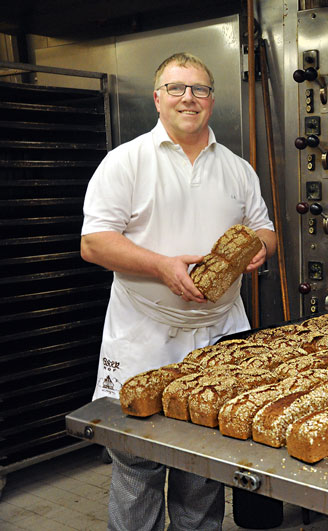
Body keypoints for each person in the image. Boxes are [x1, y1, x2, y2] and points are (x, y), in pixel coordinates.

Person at [80, 52, 277, 530]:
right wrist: (163, 267)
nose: (189, 98)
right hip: (144, 334)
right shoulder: (125, 161)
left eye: (200, 89)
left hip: (218, 332)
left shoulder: (237, 168)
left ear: (211, 99)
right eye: (176, 88)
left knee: (205, 467)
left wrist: (259, 251)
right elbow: (94, 243)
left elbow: (265, 230)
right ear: (157, 98)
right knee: (137, 463)